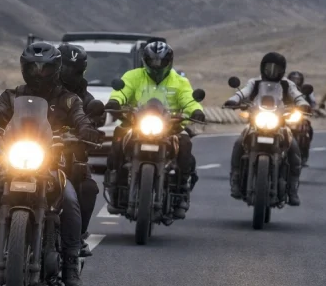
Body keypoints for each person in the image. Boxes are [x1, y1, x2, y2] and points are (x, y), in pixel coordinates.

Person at [0, 42, 103, 286]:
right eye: (33, 67)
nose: (39, 73)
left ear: (55, 68)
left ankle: (71, 263)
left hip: (50, 162)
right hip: (16, 158)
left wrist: (85, 130)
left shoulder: (69, 99)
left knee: (71, 198)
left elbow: (81, 116)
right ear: (24, 68)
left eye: (45, 68)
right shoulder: (13, 95)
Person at [103, 40, 205, 219]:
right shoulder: (133, 76)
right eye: (153, 61)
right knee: (118, 137)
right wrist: (115, 101)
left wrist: (196, 111)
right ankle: (115, 184)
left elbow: (189, 99)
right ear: (145, 60)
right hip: (137, 124)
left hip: (169, 128)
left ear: (169, 61)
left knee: (185, 143)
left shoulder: (179, 81)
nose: (157, 66)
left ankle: (181, 191)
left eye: (161, 62)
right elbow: (122, 91)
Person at [225, 52, 309, 204]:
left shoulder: (287, 84)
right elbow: (243, 92)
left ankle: (292, 189)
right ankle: (236, 180)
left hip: (280, 125)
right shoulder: (254, 82)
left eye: (276, 68)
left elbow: (297, 95)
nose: (272, 71)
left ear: (282, 70)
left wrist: (303, 104)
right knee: (238, 143)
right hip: (256, 123)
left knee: (294, 149)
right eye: (268, 67)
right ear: (262, 67)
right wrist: (233, 100)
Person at [57, 43, 102, 258]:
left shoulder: (85, 97)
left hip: (70, 158)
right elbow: (17, 108)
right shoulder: (39, 90)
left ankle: (76, 242)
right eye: (64, 68)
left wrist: (92, 128)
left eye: (74, 70)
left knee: (87, 188)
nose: (68, 74)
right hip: (35, 154)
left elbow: (95, 117)